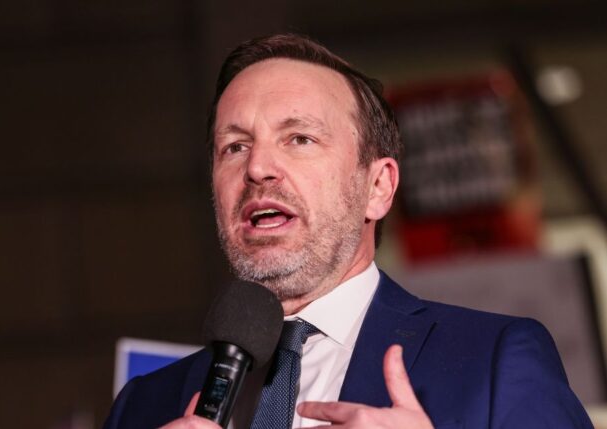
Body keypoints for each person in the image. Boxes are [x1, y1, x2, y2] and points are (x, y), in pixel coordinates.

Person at [103, 33, 593, 428]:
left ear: (378, 187)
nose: (258, 168)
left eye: (299, 138)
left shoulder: (494, 362)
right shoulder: (145, 404)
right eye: (234, 146)